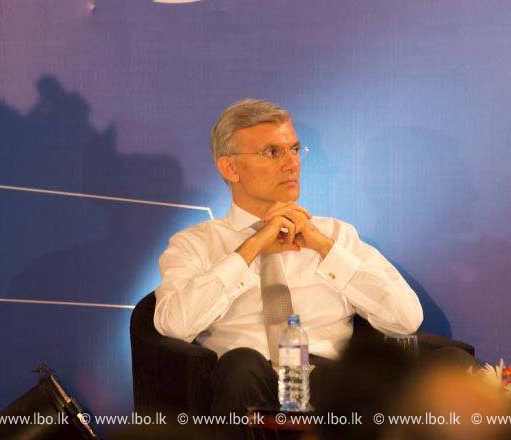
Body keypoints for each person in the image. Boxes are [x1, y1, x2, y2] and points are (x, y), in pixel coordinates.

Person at [153, 99, 423, 439]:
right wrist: (250, 249)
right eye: (272, 152)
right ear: (230, 168)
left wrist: (324, 249)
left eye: (294, 149)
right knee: (242, 364)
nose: (291, 163)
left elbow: (406, 318)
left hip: (325, 385)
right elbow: (173, 324)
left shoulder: (335, 235)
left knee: (349, 378)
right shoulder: (195, 243)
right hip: (242, 385)